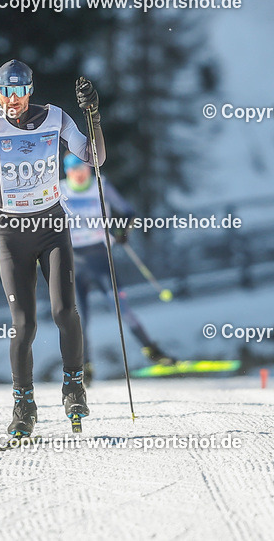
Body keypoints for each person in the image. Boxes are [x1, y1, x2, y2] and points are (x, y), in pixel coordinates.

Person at [0, 59, 105, 436]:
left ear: (29, 90)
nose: (12, 99)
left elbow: (95, 158)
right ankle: (23, 405)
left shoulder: (55, 117)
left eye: (19, 91)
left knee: (65, 311)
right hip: (10, 231)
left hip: (51, 225)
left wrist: (94, 117)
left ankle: (74, 388)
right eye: (6, 91)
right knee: (24, 323)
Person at [61, 153, 175, 379]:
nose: (80, 175)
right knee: (79, 319)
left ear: (90, 169)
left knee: (122, 309)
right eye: (74, 171)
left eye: (83, 170)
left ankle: (153, 351)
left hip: (101, 259)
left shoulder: (101, 185)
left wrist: (123, 231)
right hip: (73, 262)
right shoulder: (59, 190)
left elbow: (129, 213)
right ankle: (85, 366)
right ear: (67, 172)